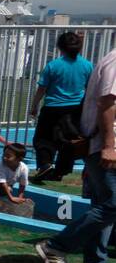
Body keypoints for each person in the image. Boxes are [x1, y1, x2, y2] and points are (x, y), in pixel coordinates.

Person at [35, 45, 116, 263]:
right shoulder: (114, 62)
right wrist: (110, 146)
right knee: (112, 206)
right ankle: (56, 246)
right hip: (105, 147)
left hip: (101, 146)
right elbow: (107, 102)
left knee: (105, 206)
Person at [29, 32, 93, 182]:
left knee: (43, 139)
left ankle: (45, 164)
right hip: (75, 109)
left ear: (59, 47)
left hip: (52, 108)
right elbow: (90, 88)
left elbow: (42, 89)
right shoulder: (87, 65)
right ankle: (60, 172)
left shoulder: (53, 66)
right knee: (69, 141)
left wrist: (34, 106)